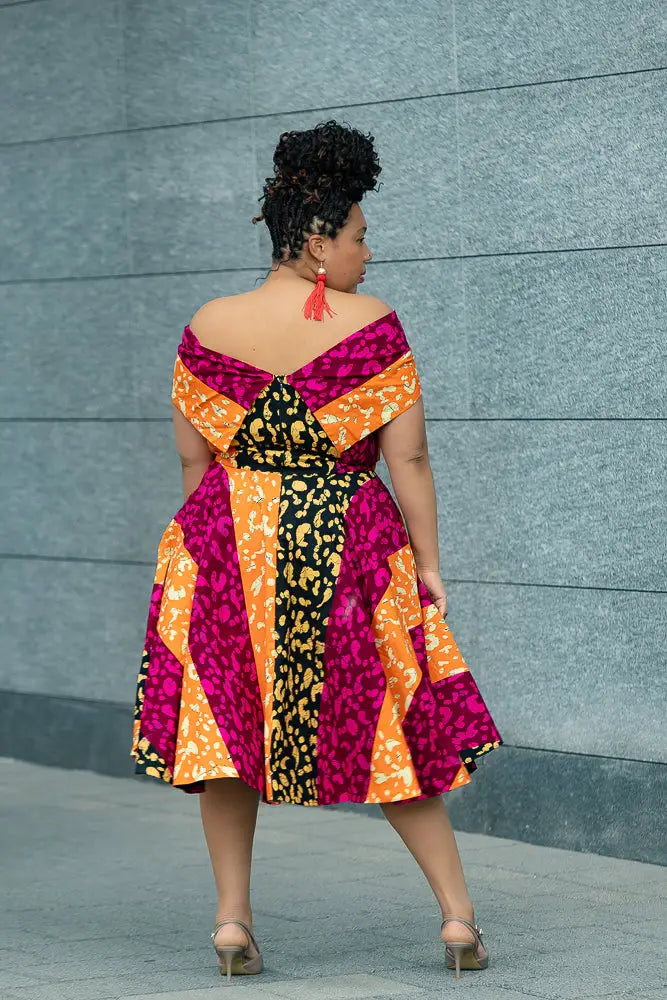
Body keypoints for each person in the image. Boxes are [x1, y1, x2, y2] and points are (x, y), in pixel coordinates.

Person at [130, 119, 503, 984]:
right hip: (348, 542)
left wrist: (211, 555)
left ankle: (231, 922)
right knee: (392, 725)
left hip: (225, 542)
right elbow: (409, 458)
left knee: (224, 734)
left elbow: (194, 462)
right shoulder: (373, 328)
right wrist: (428, 563)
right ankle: (456, 916)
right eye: (360, 237)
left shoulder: (207, 324)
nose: (369, 254)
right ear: (316, 243)